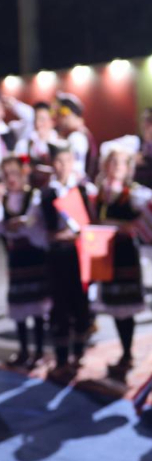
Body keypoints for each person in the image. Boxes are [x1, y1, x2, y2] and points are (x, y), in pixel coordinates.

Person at [92, 145, 152, 372]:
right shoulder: (101, 192)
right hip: (107, 253)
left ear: (127, 168)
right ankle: (125, 352)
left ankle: (127, 353)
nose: (115, 168)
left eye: (120, 163)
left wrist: (134, 227)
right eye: (112, 163)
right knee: (114, 304)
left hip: (125, 253)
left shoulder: (133, 193)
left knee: (126, 304)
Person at [40, 147, 96, 371]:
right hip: (56, 255)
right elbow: (36, 226)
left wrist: (79, 235)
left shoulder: (84, 190)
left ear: (73, 162)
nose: (62, 166)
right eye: (58, 162)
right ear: (53, 164)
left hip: (79, 254)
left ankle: (79, 350)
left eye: (66, 161)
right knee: (59, 304)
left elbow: (92, 221)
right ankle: (61, 356)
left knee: (80, 302)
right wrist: (51, 237)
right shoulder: (45, 193)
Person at [0, 156, 50, 367]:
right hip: (16, 256)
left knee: (37, 303)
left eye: (14, 173)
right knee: (19, 302)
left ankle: (38, 350)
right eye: (6, 174)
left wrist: (24, 226)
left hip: (34, 255)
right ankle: (23, 350)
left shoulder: (33, 196)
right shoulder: (4, 200)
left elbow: (39, 225)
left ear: (24, 172)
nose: (11, 178)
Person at [14, 102, 68, 188]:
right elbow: (21, 165)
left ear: (52, 121)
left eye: (42, 119)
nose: (38, 124)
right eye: (36, 120)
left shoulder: (61, 144)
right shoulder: (24, 144)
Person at [56, 93, 98, 179]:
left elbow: (75, 169)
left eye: (63, 114)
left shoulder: (76, 137)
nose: (60, 118)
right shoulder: (78, 134)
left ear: (74, 115)